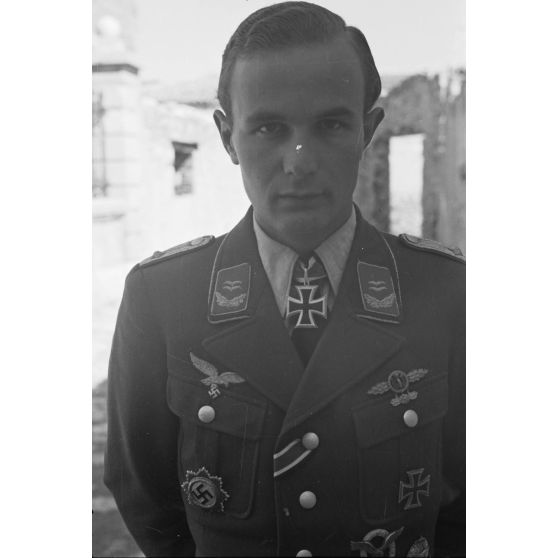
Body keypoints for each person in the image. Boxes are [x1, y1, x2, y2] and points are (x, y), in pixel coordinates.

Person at [104, 2, 465, 556]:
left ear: (368, 130)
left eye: (331, 125)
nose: (298, 161)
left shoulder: (447, 292)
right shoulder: (163, 298)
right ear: (227, 136)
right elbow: (144, 494)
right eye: (269, 128)